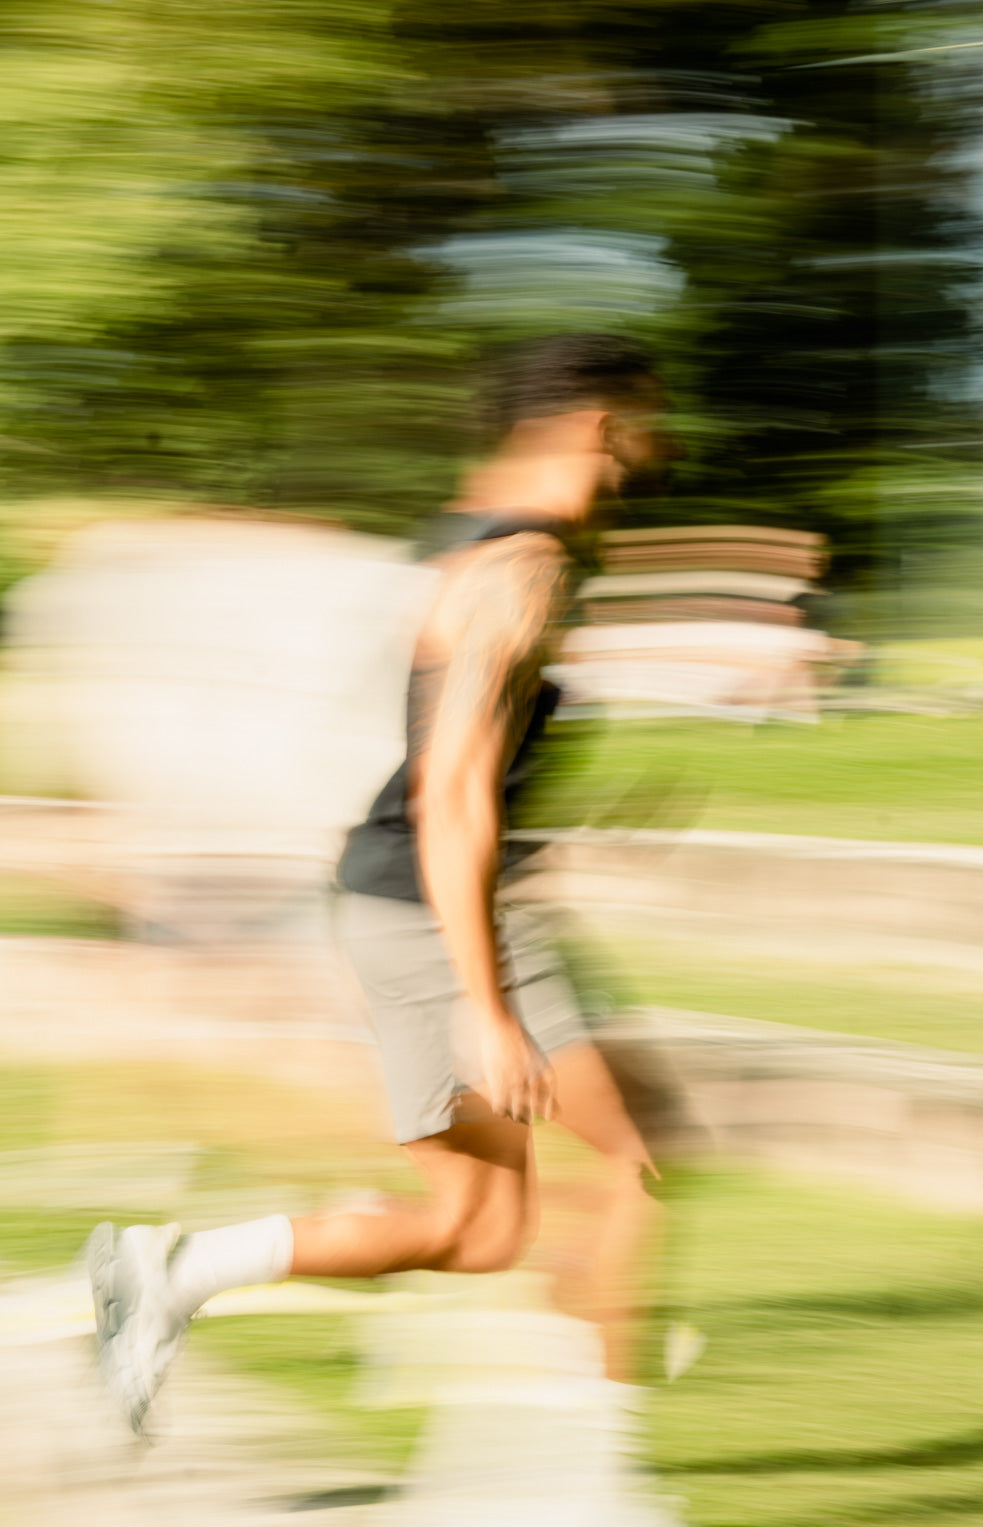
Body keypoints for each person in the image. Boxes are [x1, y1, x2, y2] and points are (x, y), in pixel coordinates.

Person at [87, 332, 671, 1437]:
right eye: (647, 421)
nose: (656, 446)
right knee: (639, 1162)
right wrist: (488, 1011)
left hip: (397, 902)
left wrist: (556, 830)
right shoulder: (526, 567)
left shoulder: (474, 545)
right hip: (444, 923)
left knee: (479, 1230)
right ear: (601, 424)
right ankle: (601, 1482)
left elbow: (452, 769)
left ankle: (173, 1273)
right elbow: (451, 791)